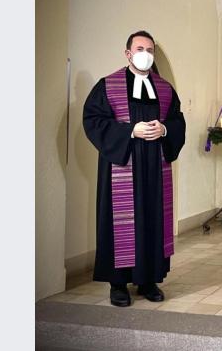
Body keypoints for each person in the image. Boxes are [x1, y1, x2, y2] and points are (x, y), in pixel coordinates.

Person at [83, 30, 186, 307]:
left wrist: (165, 129)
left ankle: (148, 280)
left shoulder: (164, 89)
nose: (145, 54)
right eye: (140, 48)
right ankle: (118, 284)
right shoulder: (108, 85)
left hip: (154, 167)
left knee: (152, 218)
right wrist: (130, 131)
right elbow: (93, 120)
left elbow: (178, 121)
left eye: (150, 49)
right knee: (122, 224)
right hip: (122, 164)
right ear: (128, 53)